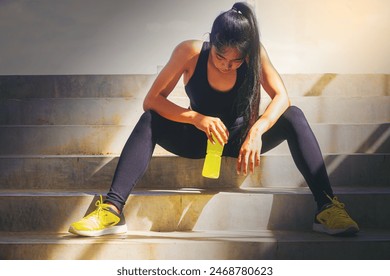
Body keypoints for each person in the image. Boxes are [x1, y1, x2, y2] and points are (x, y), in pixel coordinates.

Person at [69, 2, 359, 237]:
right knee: (150, 119)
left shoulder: (255, 54)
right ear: (212, 41)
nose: (226, 65)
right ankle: (112, 209)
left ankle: (326, 208)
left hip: (240, 140)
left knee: (294, 116)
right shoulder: (189, 52)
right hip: (196, 139)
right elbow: (152, 100)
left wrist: (257, 130)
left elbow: (282, 97)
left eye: (236, 61)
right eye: (221, 57)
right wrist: (196, 118)